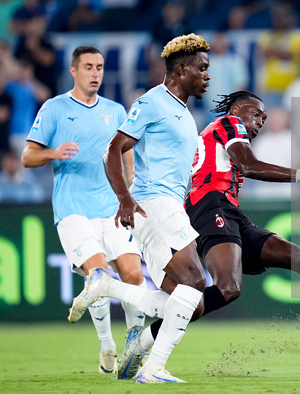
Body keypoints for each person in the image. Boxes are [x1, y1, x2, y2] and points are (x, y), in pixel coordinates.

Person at [116, 91, 300, 380]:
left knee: (295, 256)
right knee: (227, 287)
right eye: (256, 113)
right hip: (210, 207)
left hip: (229, 211)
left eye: (263, 118)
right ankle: (143, 340)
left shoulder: (214, 136)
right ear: (236, 109)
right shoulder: (227, 123)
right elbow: (249, 165)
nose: (260, 121)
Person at [71, 33, 211, 384]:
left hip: (167, 206)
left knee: (191, 304)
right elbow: (112, 149)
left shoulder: (181, 111)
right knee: (195, 279)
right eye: (202, 68)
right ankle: (153, 368)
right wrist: (124, 198)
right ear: (181, 69)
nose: (207, 76)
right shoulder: (152, 103)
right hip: (154, 203)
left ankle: (107, 288)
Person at [20, 46, 146, 374]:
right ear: (74, 71)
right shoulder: (54, 108)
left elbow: (126, 155)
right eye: (88, 67)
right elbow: (27, 157)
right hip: (73, 208)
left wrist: (129, 193)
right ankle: (107, 345)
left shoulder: (116, 110)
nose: (95, 73)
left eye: (100, 67)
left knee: (133, 275)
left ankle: (135, 344)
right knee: (99, 275)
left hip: (111, 208)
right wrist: (52, 152)